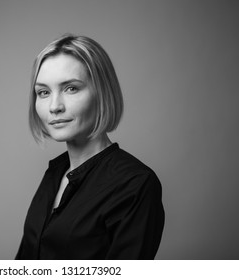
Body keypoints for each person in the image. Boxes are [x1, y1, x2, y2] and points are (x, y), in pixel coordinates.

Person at [16, 34, 164, 260]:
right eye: (43, 92)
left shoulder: (135, 184)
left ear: (102, 93)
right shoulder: (55, 173)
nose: (54, 106)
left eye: (71, 88)